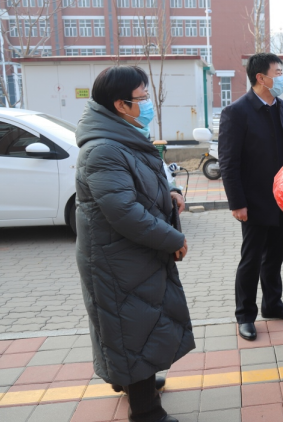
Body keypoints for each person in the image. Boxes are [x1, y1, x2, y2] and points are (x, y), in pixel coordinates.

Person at [75, 66, 195, 422]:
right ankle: (145, 411)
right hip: (117, 257)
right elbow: (124, 211)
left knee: (139, 325)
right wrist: (173, 238)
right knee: (131, 329)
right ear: (120, 104)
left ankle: (134, 380)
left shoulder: (125, 135)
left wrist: (171, 190)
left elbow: (149, 174)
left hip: (133, 253)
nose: (148, 105)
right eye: (142, 98)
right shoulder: (103, 149)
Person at [218, 52, 283, 341]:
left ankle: (272, 304)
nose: (281, 78)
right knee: (251, 259)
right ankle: (245, 315)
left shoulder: (282, 108)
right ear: (260, 78)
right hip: (253, 201)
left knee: (275, 256)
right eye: (277, 73)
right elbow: (228, 162)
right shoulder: (237, 112)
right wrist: (237, 202)